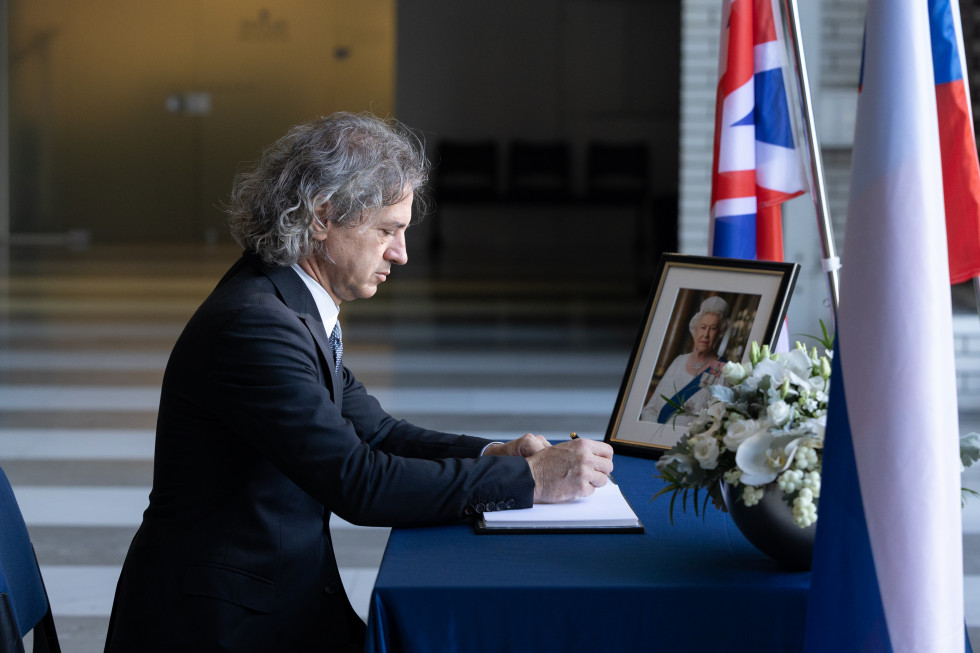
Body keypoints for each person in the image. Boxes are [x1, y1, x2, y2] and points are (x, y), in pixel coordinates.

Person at [103, 112, 614, 653]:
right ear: (322, 217)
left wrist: (501, 454)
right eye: (387, 230)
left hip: (275, 595)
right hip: (221, 623)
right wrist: (531, 481)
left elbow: (376, 432)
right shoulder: (255, 325)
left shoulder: (285, 296)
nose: (401, 253)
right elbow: (359, 482)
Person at [640, 295, 729, 425]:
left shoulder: (723, 371)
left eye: (713, 329)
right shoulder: (679, 361)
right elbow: (651, 409)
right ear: (695, 329)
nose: (706, 334)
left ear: (720, 333)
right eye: (703, 327)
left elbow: (715, 423)